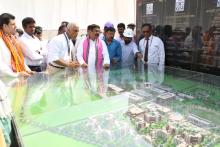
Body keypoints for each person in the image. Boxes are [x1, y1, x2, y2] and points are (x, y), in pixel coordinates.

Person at [0, 13, 32, 77]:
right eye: (13, 24)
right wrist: (16, 75)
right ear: (5, 26)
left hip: (17, 78)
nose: (16, 26)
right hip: (5, 81)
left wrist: (27, 70)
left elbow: (19, 58)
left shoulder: (13, 39)